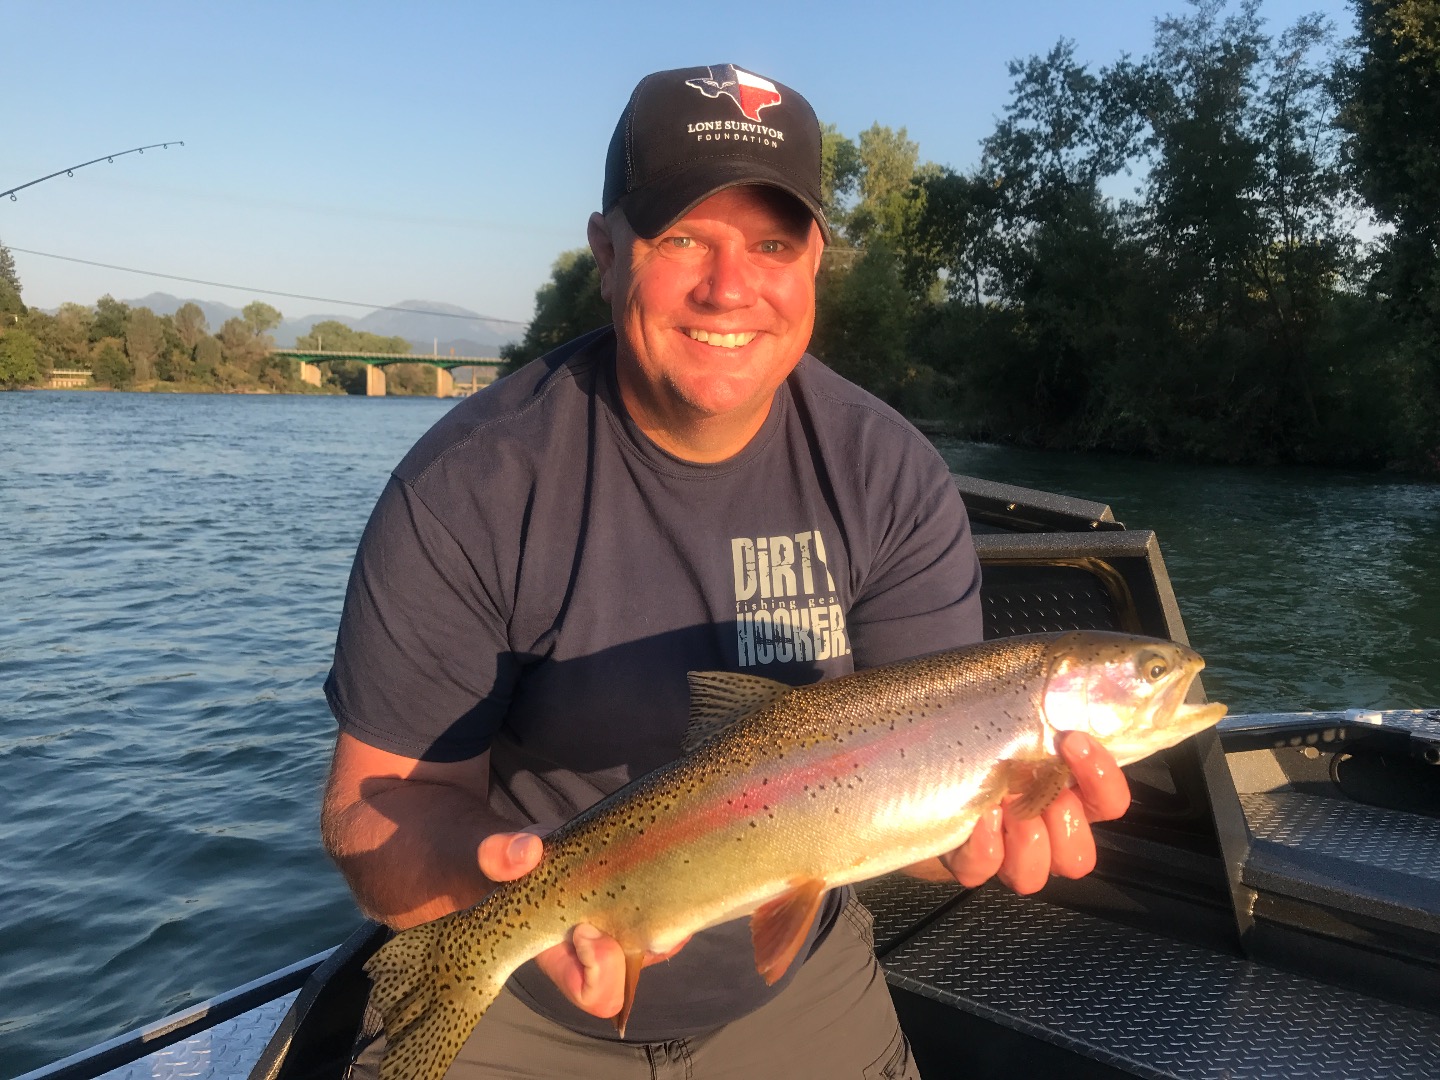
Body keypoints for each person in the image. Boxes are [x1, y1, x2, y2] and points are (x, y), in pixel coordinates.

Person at [321, 63, 1131, 1079]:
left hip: (794, 984)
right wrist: (499, 892)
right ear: (607, 255)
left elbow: (924, 812)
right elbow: (371, 811)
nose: (729, 287)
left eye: (771, 244)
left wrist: (975, 832)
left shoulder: (890, 476)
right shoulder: (467, 487)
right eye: (683, 239)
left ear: (816, 262)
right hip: (525, 991)